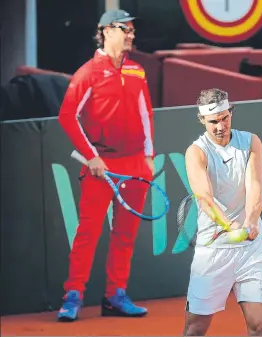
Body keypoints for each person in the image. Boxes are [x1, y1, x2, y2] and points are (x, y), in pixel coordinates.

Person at [57, 9, 155, 322]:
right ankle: (73, 295)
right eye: (124, 29)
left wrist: (149, 156)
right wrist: (92, 156)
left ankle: (115, 295)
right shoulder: (87, 73)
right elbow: (67, 116)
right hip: (101, 164)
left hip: (135, 164)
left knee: (125, 235)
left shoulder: (138, 71)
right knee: (88, 232)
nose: (131, 35)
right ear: (106, 31)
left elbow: (146, 115)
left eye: (132, 30)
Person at [183, 88, 262, 336]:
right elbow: (205, 199)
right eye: (213, 121)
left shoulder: (251, 142)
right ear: (202, 120)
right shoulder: (196, 152)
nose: (220, 126)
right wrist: (231, 227)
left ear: (231, 113)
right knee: (195, 329)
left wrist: (251, 222)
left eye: (225, 118)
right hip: (213, 251)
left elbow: (255, 186)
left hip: (250, 250)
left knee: (259, 326)